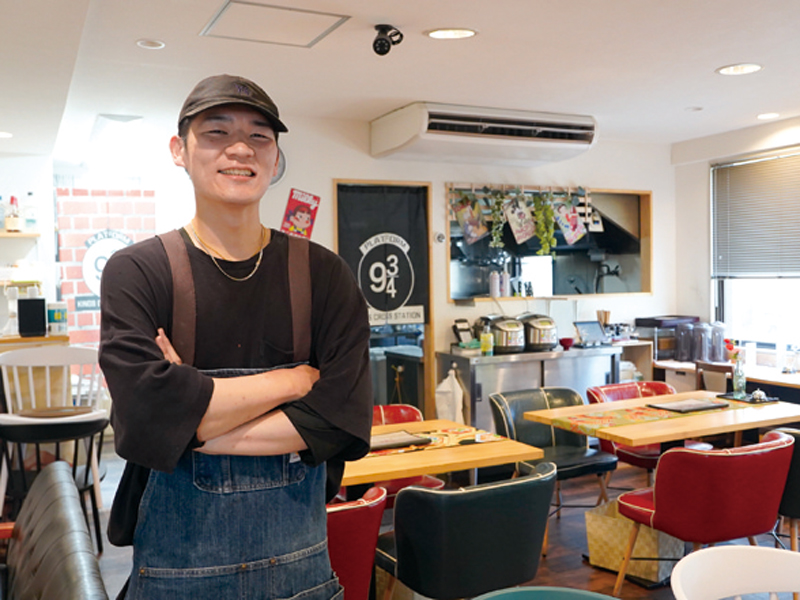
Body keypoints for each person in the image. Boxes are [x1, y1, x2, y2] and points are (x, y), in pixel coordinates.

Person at [99, 74, 372, 599]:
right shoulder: (138, 271)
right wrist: (293, 381)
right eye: (217, 132)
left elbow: (341, 421)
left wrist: (188, 425)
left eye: (260, 137)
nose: (240, 149)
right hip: (177, 581)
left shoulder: (324, 275)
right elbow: (143, 418)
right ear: (180, 150)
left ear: (275, 158)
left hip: (302, 576)